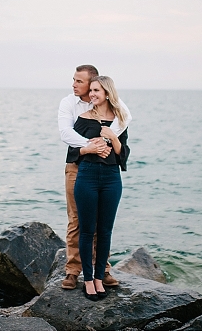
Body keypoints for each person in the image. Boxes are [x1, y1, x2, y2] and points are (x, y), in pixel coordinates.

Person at [58, 65, 132, 291]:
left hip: (105, 172)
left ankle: (103, 270)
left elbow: (125, 117)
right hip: (77, 166)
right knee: (77, 221)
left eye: (79, 81)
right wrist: (91, 146)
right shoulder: (70, 104)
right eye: (74, 80)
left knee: (103, 225)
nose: (74, 85)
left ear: (94, 84)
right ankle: (73, 271)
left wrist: (111, 138)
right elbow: (66, 134)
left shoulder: (109, 105)